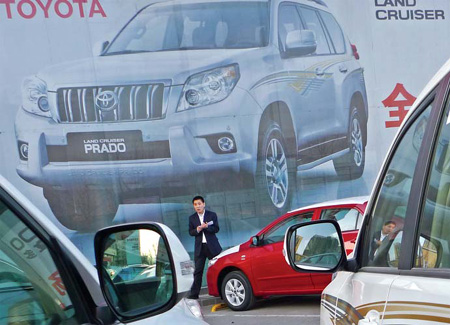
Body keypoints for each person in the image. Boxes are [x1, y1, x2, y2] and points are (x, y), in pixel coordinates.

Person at [188, 195, 222, 299]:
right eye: (195, 204)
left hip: (212, 246)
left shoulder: (212, 215)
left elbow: (216, 229)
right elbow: (191, 232)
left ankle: (221, 291)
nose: (197, 206)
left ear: (204, 204)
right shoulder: (192, 218)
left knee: (218, 268)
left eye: (199, 204)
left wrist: (207, 227)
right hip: (200, 247)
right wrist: (198, 229)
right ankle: (194, 294)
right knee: (198, 271)